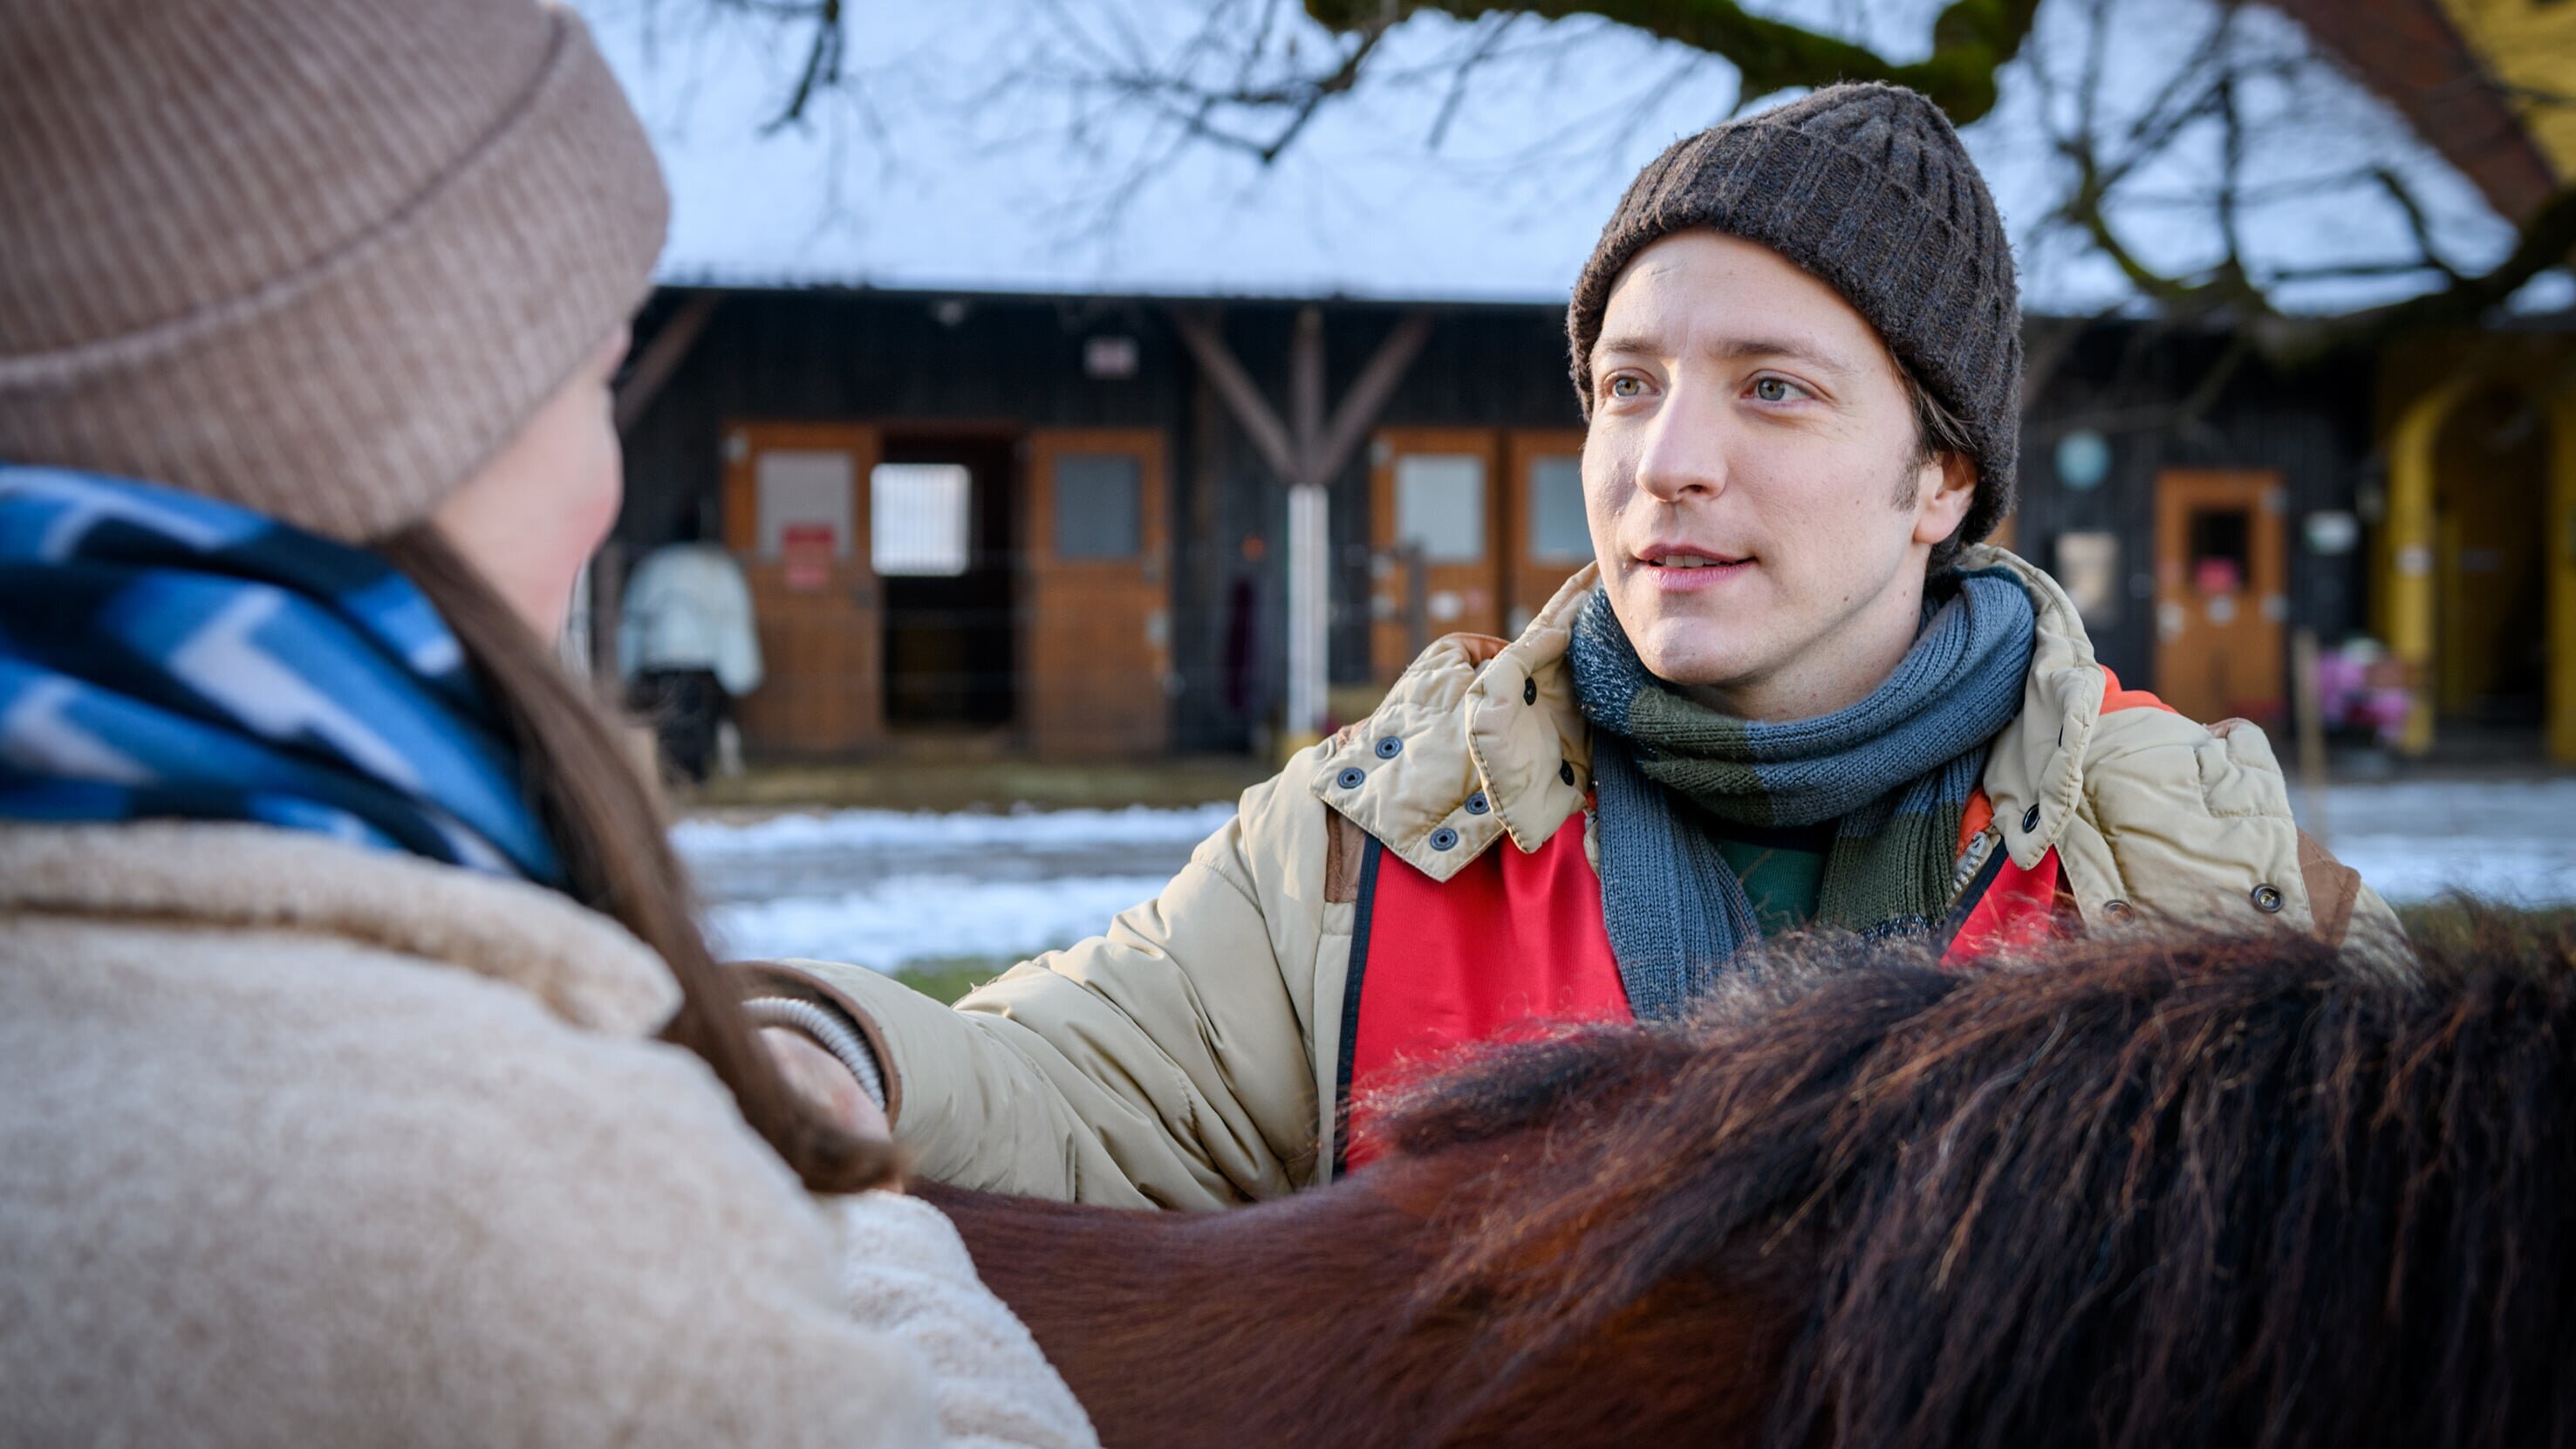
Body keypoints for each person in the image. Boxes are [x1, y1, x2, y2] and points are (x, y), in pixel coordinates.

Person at [769, 82, 2405, 1211]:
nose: (1663, 459)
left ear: (1940, 477)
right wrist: (825, 1050)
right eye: (1628, 383)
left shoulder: (2198, 867)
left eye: (1771, 387)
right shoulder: (1380, 844)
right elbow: (1059, 1094)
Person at [0, 2, 1093, 1444]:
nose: (607, 476)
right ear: (370, 428)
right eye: (592, 383)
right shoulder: (523, 1191)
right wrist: (864, 1232)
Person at [621, 536, 762, 781]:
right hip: (703, 659)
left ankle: (678, 772)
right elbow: (735, 621)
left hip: (659, 656)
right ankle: (690, 772)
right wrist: (740, 669)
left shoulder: (654, 566)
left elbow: (630, 620)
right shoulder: (718, 568)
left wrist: (628, 662)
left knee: (670, 716)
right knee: (692, 718)